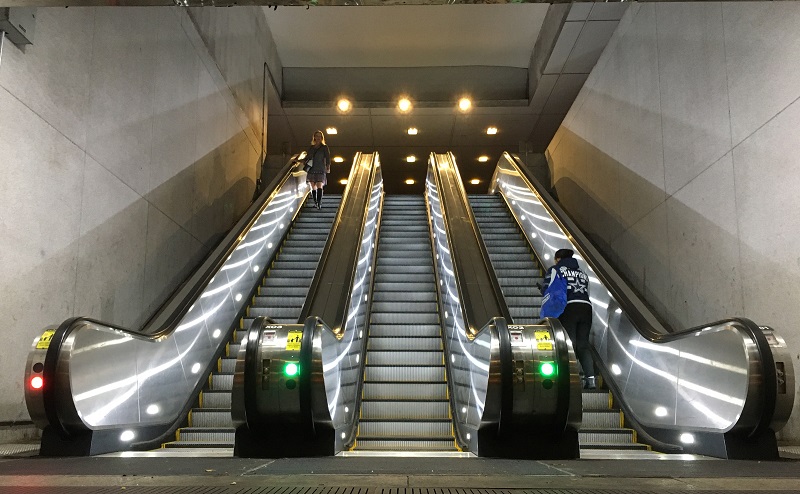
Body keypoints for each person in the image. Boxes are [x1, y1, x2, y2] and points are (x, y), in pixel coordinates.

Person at [541, 248, 595, 389]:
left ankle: (572, 378)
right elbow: (587, 292)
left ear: (558, 259)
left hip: (569, 308)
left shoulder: (556, 270)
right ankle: (591, 379)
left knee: (570, 342)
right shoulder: (582, 273)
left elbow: (548, 288)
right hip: (586, 308)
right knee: (583, 344)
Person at [304, 130, 331, 209]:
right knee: (313, 186)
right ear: (314, 138)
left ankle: (319, 203)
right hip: (312, 168)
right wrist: (299, 160)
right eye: (317, 136)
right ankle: (315, 202)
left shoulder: (324, 147)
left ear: (322, 138)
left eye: (320, 136)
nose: (318, 138)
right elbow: (308, 157)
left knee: (319, 185)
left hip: (320, 168)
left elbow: (328, 157)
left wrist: (328, 166)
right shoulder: (311, 148)